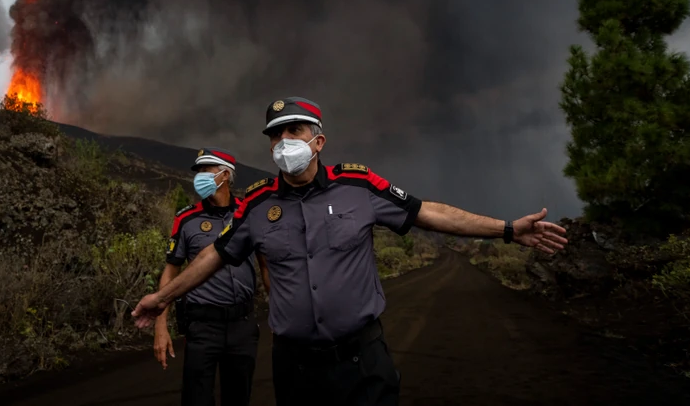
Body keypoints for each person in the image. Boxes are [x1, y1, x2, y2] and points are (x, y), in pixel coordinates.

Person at [134, 97, 569, 406]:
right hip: (295, 368)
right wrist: (162, 299)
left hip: (362, 362)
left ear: (318, 142)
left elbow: (427, 213)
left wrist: (506, 229)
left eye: (294, 131)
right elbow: (214, 255)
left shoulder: (358, 186)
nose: (283, 141)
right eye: (275, 135)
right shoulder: (257, 204)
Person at [153, 147, 268, 406]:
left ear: (225, 175)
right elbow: (171, 271)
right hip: (202, 326)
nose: (199, 176)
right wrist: (160, 326)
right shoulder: (186, 219)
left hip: (242, 324)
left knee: (238, 398)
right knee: (196, 398)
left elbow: (265, 265)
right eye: (198, 171)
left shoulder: (249, 214)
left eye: (206, 170)